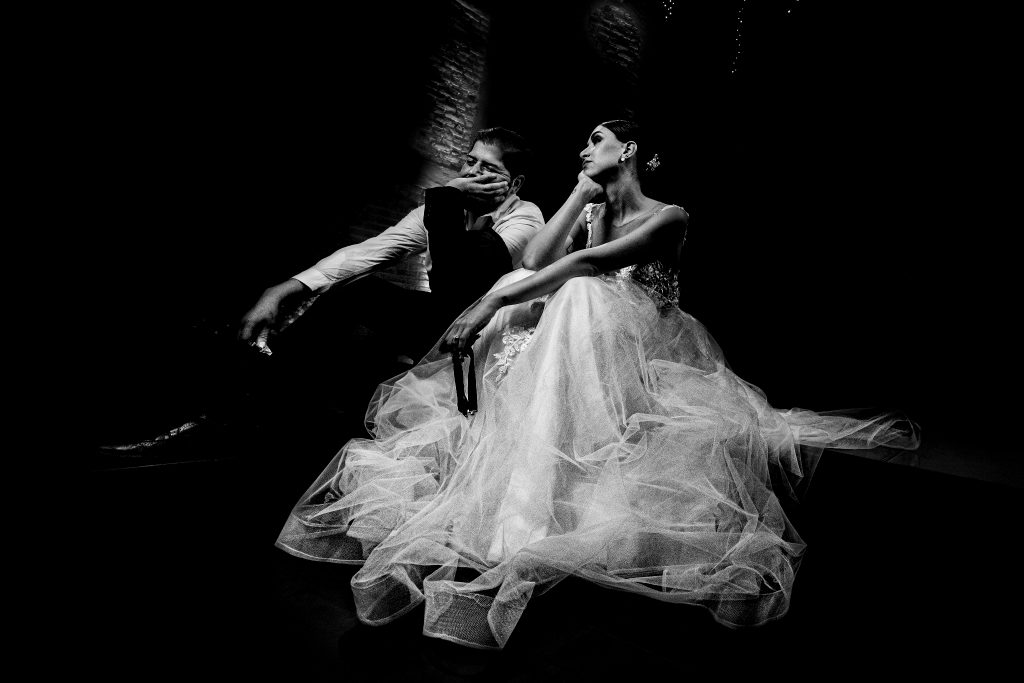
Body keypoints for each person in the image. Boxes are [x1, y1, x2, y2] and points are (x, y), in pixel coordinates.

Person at [276, 120, 920, 649]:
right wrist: (581, 195)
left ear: (628, 149)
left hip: (645, 348)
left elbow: (585, 267)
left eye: (595, 140)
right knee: (529, 290)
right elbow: (534, 262)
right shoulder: (588, 211)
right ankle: (516, 491)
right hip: (581, 340)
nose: (583, 150)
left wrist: (477, 312)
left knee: (576, 290)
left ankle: (527, 516)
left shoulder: (671, 216)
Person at [238, 126, 545, 366]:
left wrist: (447, 195)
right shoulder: (441, 208)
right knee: (355, 292)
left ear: (514, 185)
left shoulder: (527, 219)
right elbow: (370, 252)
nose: (471, 174)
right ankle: (269, 377)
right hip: (440, 321)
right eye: (469, 161)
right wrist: (283, 289)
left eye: (487, 168)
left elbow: (458, 284)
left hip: (485, 332)